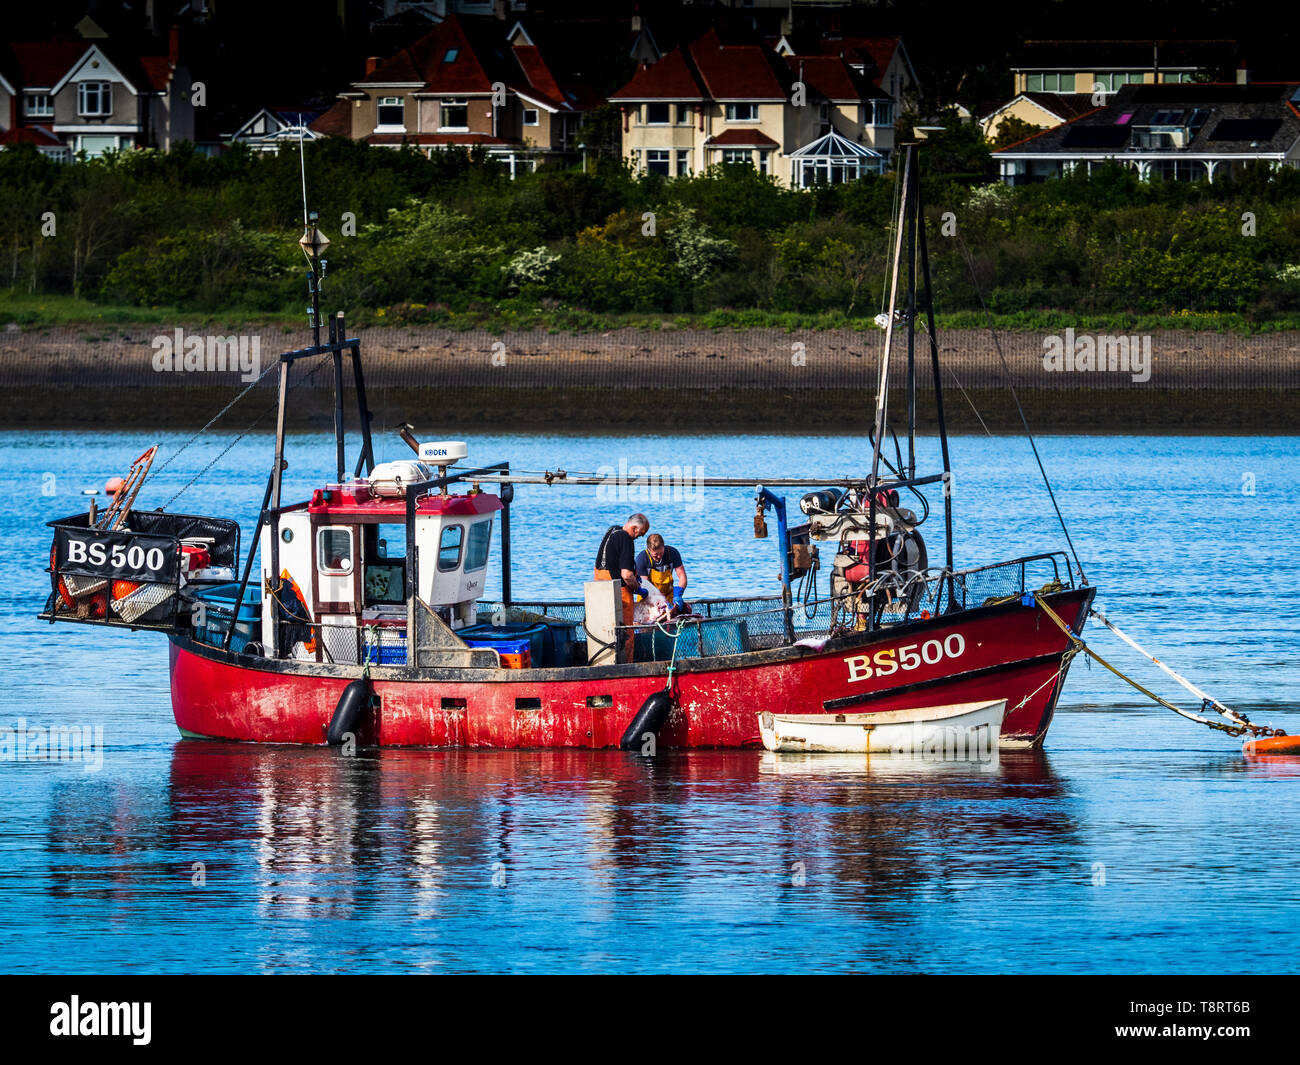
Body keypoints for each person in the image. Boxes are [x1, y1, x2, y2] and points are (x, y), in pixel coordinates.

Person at [593, 513, 649, 659]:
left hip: (599, 590)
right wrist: (638, 588)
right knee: (626, 632)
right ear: (635, 527)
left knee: (605, 631)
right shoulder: (626, 539)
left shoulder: (611, 531)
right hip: (620, 594)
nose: (639, 537)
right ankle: (626, 666)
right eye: (641, 533)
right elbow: (626, 575)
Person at [636, 533, 688, 614]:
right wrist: (658, 600)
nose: (659, 557)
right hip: (648, 598)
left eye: (661, 553)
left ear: (663, 546)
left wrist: (678, 593)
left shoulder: (673, 553)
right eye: (655, 555)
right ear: (649, 550)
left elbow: (682, 577)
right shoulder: (642, 559)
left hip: (668, 596)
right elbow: (645, 585)